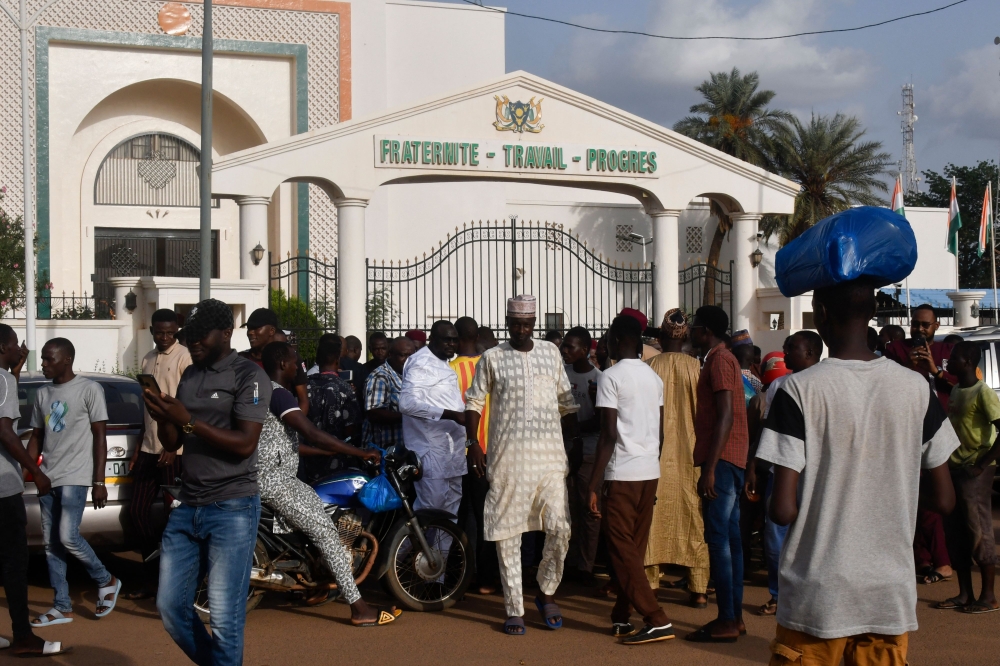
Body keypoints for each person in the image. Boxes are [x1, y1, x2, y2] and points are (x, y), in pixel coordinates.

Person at [757, 276, 958, 665]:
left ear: (821, 314)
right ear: (873, 312)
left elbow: (781, 510)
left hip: (817, 595)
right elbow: (945, 499)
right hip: (888, 593)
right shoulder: (917, 388)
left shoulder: (797, 390)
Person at [145, 299, 272, 666]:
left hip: (232, 507)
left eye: (202, 335)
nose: (193, 341)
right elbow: (173, 442)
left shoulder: (248, 376)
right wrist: (163, 416)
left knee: (224, 617)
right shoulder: (190, 374)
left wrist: (187, 421)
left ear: (226, 333)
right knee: (171, 607)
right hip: (189, 504)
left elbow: (245, 443)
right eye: (190, 335)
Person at [257, 341, 399, 623]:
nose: (300, 365)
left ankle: (316, 584)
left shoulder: (264, 392)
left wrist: (326, 451)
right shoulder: (279, 395)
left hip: (270, 477)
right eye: (295, 360)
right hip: (276, 481)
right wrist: (359, 452)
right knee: (326, 532)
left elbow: (284, 443)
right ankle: (359, 608)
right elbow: (311, 432)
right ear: (283, 364)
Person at [465, 295, 579, 636]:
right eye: (515, 324)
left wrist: (573, 444)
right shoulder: (492, 357)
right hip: (508, 460)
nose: (520, 330)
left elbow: (567, 403)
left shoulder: (550, 352)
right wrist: (474, 444)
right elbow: (474, 402)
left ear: (534, 324)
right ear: (507, 323)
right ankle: (514, 607)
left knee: (560, 527)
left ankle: (546, 592)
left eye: (526, 325)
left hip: (550, 459)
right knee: (508, 535)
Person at [588, 315, 672, 645]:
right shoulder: (653, 377)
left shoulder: (610, 377)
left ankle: (656, 618)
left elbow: (608, 435)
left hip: (622, 473)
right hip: (649, 471)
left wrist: (593, 484)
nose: (605, 343)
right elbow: (660, 432)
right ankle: (622, 616)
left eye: (609, 338)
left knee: (622, 550)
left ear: (621, 340)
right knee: (632, 550)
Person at [27, 338, 120, 628]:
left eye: (49, 359)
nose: (43, 364)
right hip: (47, 477)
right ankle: (61, 606)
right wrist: (30, 472)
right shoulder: (42, 393)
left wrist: (99, 481)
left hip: (75, 476)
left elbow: (100, 436)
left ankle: (106, 579)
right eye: (43, 359)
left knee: (68, 537)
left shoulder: (89, 389)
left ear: (66, 359)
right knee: (51, 544)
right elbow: (37, 437)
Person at [745, 332, 822, 616]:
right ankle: (780, 594)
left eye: (791, 348)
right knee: (775, 534)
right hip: (781, 469)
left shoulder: (826, 384)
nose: (785, 353)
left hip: (815, 475)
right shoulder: (779, 385)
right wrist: (755, 464)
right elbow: (769, 429)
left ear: (810, 352)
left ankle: (808, 595)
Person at [0, 326, 66, 656]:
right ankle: (23, 637)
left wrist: (15, 371)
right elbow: (5, 432)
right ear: (2, 347)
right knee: (14, 563)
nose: (19, 348)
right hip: (3, 488)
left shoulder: (6, 379)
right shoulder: (2, 380)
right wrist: (36, 471)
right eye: (14, 344)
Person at [685, 306, 748, 643]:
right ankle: (734, 617)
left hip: (722, 461)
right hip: (729, 459)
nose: (691, 332)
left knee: (720, 539)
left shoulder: (720, 360)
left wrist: (710, 468)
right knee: (731, 540)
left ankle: (727, 619)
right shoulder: (720, 359)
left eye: (695, 327)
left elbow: (725, 414)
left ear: (706, 330)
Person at [883, 305, 957, 585]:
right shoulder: (895, 350)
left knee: (933, 500)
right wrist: (909, 366)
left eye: (925, 325)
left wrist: (934, 370)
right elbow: (887, 383)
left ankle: (942, 560)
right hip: (907, 432)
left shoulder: (947, 351)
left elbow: (960, 385)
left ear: (936, 326)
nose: (919, 329)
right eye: (915, 324)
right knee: (911, 499)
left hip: (941, 432)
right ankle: (923, 558)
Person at [643, 309, 709, 609]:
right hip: (691, 455)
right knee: (694, 517)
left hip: (654, 454)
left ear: (659, 336)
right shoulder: (697, 367)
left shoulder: (649, 367)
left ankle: (651, 583)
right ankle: (698, 589)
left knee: (653, 518)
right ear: (685, 338)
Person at [127, 308, 192, 600]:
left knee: (174, 518)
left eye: (170, 332)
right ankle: (152, 578)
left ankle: (176, 583)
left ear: (176, 331)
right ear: (152, 330)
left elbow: (186, 408)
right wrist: (139, 445)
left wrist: (173, 446)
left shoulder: (185, 358)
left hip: (174, 450)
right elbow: (148, 408)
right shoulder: (147, 358)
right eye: (160, 332)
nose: (165, 337)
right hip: (148, 448)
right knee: (137, 512)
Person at [936, 341, 1000, 613]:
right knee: (956, 531)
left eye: (953, 359)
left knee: (978, 529)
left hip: (974, 469)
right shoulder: (958, 390)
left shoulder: (983, 392)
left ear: (968, 362)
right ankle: (964, 593)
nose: (948, 363)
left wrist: (982, 465)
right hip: (955, 467)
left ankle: (989, 596)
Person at [451, 317, 500, 595]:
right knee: (487, 516)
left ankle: (460, 574)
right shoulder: (491, 367)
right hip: (490, 451)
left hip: (460, 454)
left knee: (461, 516)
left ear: (456, 338)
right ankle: (486, 578)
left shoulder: (449, 371)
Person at [399, 320, 467, 515]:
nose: (451, 344)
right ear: (432, 339)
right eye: (446, 340)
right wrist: (451, 415)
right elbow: (406, 404)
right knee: (431, 510)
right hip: (431, 453)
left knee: (451, 510)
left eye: (454, 340)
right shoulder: (421, 362)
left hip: (452, 452)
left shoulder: (444, 363)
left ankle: (443, 539)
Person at [560, 326, 603, 583]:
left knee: (588, 508)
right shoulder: (562, 374)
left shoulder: (598, 379)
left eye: (570, 346)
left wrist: (574, 428)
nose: (564, 350)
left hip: (588, 451)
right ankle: (570, 562)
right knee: (567, 508)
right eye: (564, 345)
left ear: (585, 350)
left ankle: (586, 566)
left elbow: (601, 420)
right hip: (564, 449)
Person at [304, 337, 363, 483]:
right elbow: (351, 428)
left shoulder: (305, 386)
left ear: (317, 360)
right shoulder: (345, 388)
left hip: (308, 455)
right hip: (337, 454)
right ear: (338, 360)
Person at [241, 307, 308, 413]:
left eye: (256, 328)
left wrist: (295, 422)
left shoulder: (290, 358)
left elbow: (303, 400)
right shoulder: (241, 359)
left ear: (271, 330)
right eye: (249, 328)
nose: (250, 332)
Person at [363, 336, 414, 449]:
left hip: (405, 446)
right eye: (403, 355)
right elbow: (373, 413)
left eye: (411, 356)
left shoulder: (410, 375)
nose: (407, 360)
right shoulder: (380, 377)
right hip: (382, 449)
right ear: (390, 354)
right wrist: (408, 417)